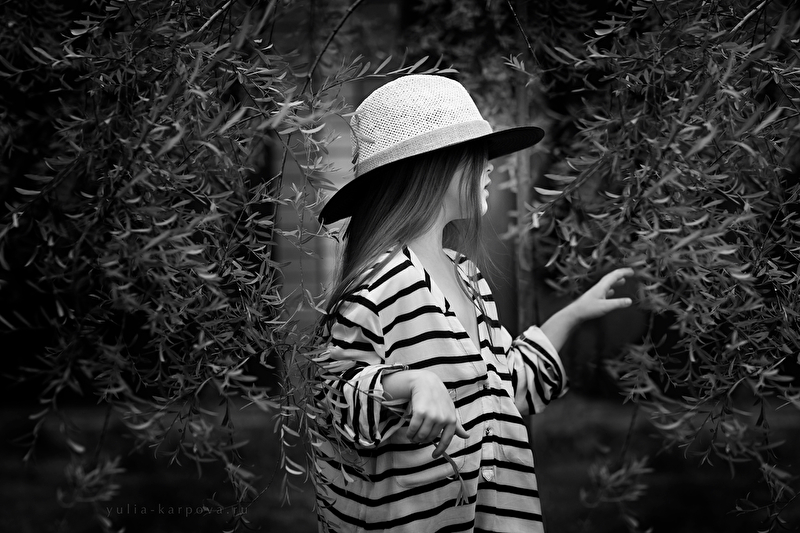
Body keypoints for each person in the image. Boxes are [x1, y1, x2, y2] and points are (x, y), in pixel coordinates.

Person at [313, 74, 633, 533]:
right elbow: (333, 392)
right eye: (476, 154)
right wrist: (413, 383)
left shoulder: (466, 276)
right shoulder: (379, 284)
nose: (490, 168)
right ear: (433, 168)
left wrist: (573, 314)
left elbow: (502, 390)